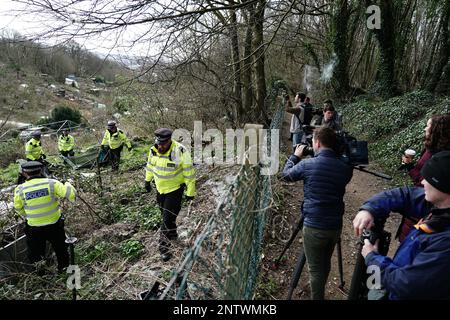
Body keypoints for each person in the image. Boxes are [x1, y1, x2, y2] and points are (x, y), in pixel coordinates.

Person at [353, 151, 450, 300]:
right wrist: (369, 209)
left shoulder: (445, 243)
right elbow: (405, 195)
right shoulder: (440, 206)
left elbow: (406, 284)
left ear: (443, 186)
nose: (422, 182)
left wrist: (372, 258)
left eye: (428, 179)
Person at [282, 127, 353, 299]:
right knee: (325, 263)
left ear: (317, 143)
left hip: (314, 226)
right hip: (334, 226)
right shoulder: (345, 168)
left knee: (314, 269)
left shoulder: (307, 165)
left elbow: (285, 175)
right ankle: (319, 286)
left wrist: (295, 156)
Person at [13, 161, 76, 272]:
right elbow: (71, 194)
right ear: (41, 170)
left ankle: (42, 274)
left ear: (24, 173)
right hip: (55, 226)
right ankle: (64, 270)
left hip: (34, 228)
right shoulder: (52, 183)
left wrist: (31, 216)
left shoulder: (20, 189)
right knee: (61, 250)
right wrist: (68, 182)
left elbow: (18, 210)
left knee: (36, 254)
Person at [144, 128, 196, 261]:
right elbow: (150, 166)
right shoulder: (153, 150)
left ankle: (163, 248)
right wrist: (147, 180)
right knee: (166, 215)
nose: (160, 146)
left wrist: (190, 191)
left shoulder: (180, 151)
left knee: (166, 219)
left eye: (163, 143)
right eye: (158, 142)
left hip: (174, 190)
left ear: (169, 141)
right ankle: (172, 233)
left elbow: (188, 171)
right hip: (160, 190)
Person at [397, 115, 450, 241]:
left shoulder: (440, 158)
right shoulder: (429, 148)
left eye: (428, 125)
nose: (425, 128)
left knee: (411, 243)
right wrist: (411, 166)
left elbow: (422, 181)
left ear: (436, 130)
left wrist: (410, 168)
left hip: (425, 206)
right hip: (421, 201)